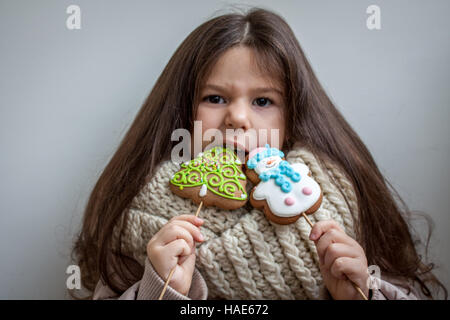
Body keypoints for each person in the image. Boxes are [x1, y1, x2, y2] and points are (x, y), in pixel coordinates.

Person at [71, 7, 447, 300]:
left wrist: (360, 292)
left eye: (263, 101)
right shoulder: (136, 213)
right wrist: (161, 287)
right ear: (183, 111)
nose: (237, 117)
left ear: (293, 117)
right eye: (215, 98)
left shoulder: (340, 198)